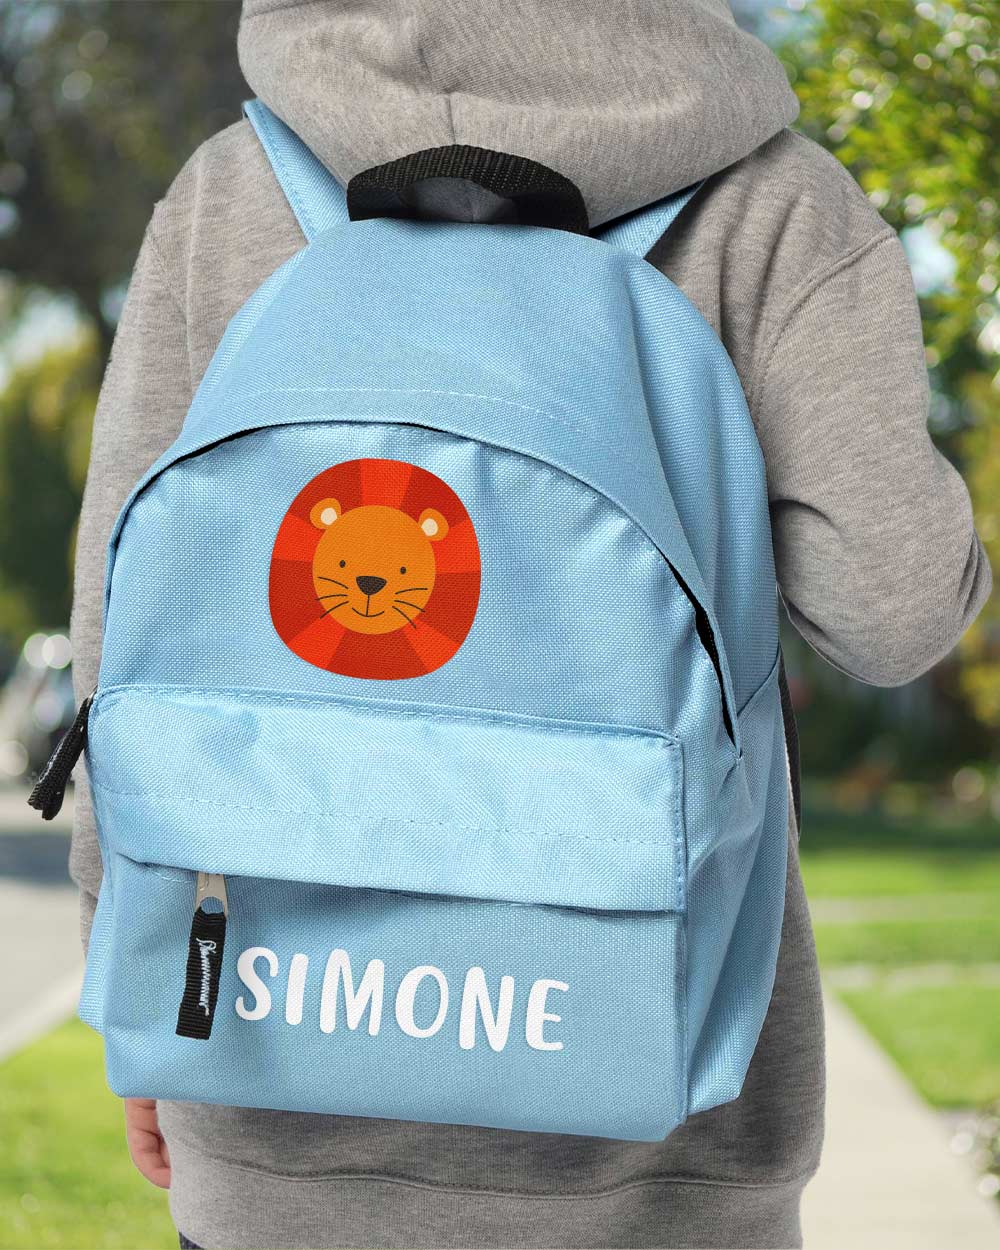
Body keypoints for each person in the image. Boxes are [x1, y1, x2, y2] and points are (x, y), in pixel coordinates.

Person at [69, 2, 991, 1247]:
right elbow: (890, 616)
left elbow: (120, 625)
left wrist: (125, 960)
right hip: (663, 1145)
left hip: (262, 1085)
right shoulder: (775, 202)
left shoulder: (231, 187)